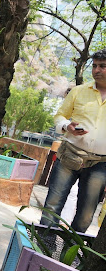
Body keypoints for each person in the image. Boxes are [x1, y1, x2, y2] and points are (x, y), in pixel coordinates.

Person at [40, 49, 106, 232]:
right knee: (52, 206)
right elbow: (60, 116)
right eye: (94, 66)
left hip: (100, 164)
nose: (97, 70)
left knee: (85, 216)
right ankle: (44, 251)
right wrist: (66, 126)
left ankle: (68, 256)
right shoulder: (78, 92)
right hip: (69, 156)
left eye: (102, 66)